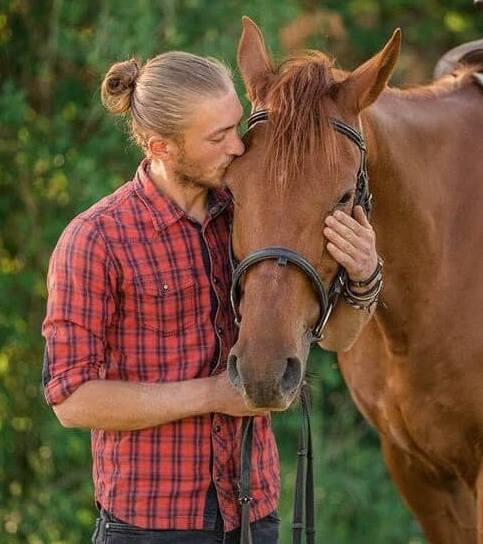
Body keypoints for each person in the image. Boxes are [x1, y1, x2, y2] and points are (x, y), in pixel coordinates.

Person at [42, 51, 381, 543]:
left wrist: (366, 275)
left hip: (252, 515)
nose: (239, 148)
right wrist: (213, 395)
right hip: (148, 527)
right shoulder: (96, 239)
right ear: (162, 147)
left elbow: (336, 339)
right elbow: (71, 401)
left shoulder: (250, 212)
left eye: (236, 127)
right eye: (217, 137)